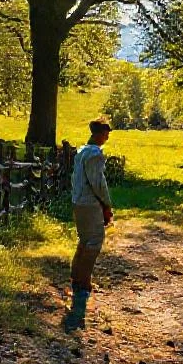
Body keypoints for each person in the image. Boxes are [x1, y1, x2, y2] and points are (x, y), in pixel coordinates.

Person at [65, 119, 113, 331]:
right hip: (89, 202)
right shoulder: (94, 155)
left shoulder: (81, 151)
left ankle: (76, 276)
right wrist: (106, 204)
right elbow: (98, 183)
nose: (107, 137)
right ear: (99, 134)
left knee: (84, 239)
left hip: (78, 200)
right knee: (94, 240)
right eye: (106, 133)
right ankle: (84, 281)